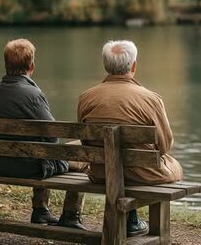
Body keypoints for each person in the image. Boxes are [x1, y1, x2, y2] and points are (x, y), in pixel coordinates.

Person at [77, 40, 184, 237]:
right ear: (133, 66)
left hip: (103, 172)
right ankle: (144, 226)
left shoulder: (86, 97)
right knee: (172, 163)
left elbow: (85, 143)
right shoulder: (150, 99)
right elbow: (165, 145)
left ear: (105, 65)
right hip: (142, 174)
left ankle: (132, 220)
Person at [0, 39, 87, 230]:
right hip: (29, 167)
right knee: (84, 150)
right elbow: (53, 134)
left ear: (6, 64)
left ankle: (42, 211)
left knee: (39, 148)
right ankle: (71, 214)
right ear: (32, 66)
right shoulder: (33, 95)